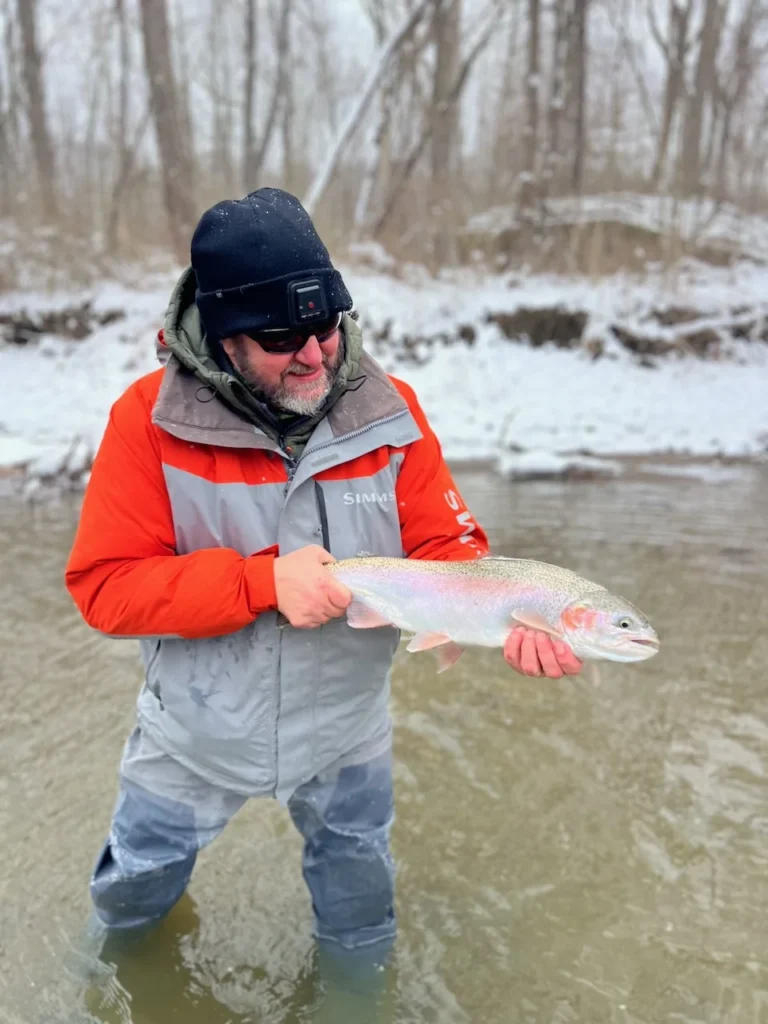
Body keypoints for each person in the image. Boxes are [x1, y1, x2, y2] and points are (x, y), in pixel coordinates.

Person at [64, 188, 582, 1008]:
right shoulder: (145, 423)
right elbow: (105, 588)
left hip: (346, 733)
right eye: (279, 338)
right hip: (194, 731)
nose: (313, 355)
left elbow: (450, 551)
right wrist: (259, 582)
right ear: (223, 335)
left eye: (326, 326)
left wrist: (511, 611)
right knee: (129, 904)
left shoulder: (392, 413)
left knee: (362, 925)